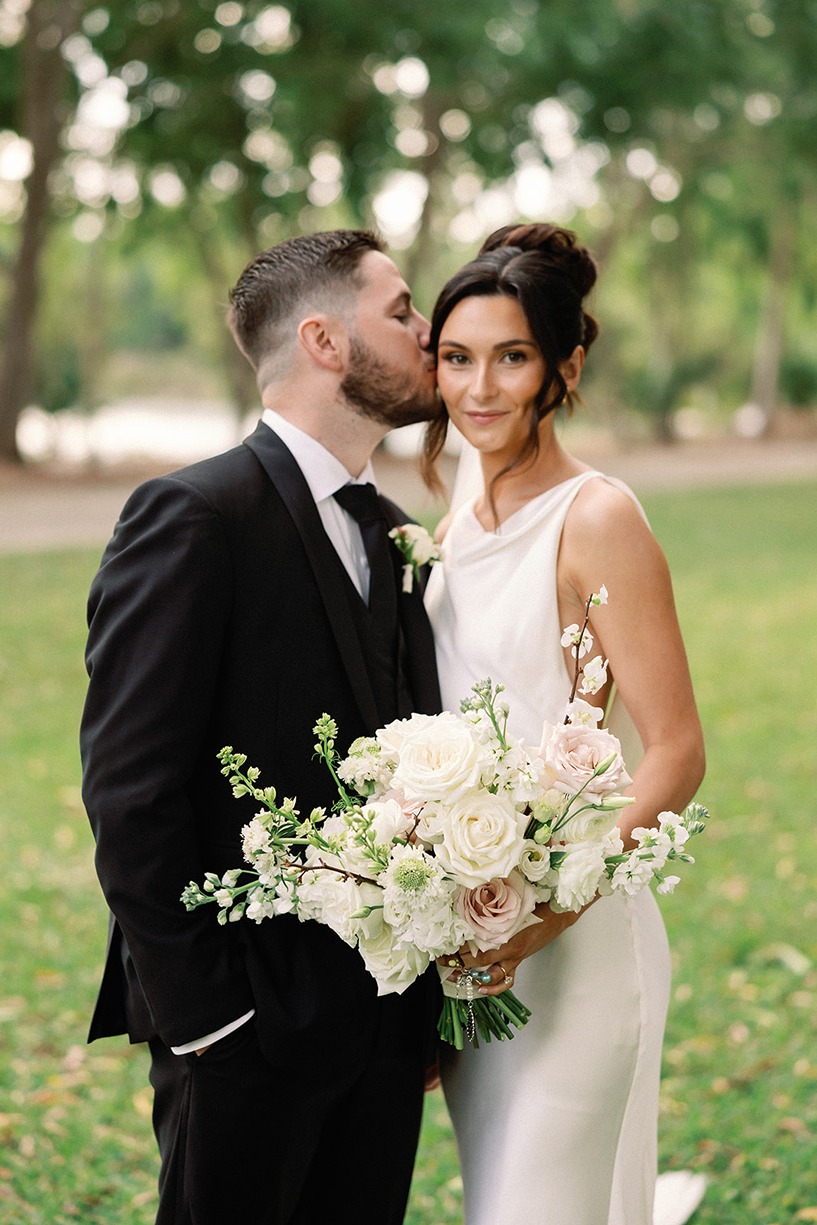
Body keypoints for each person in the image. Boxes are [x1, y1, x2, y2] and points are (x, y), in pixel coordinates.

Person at [80, 229, 442, 1225]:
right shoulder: (193, 515)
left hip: (384, 1026)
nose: (427, 330)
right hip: (246, 1030)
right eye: (402, 310)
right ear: (324, 340)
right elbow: (129, 790)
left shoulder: (394, 530)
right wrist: (210, 1022)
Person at [422, 223, 706, 1225]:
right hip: (471, 943)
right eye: (456, 358)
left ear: (565, 367)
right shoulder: (453, 524)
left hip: (576, 943)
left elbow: (674, 750)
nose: (479, 388)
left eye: (512, 357)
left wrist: (545, 912)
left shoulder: (596, 516)